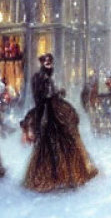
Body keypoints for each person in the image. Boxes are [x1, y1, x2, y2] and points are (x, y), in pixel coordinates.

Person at [19, 53, 98, 192]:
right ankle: (55, 176)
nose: (49, 64)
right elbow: (44, 96)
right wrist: (56, 94)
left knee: (60, 144)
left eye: (50, 62)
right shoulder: (41, 77)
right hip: (48, 115)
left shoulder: (45, 77)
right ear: (42, 63)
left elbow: (47, 94)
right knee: (53, 145)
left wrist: (57, 93)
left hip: (52, 113)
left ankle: (63, 175)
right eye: (46, 62)